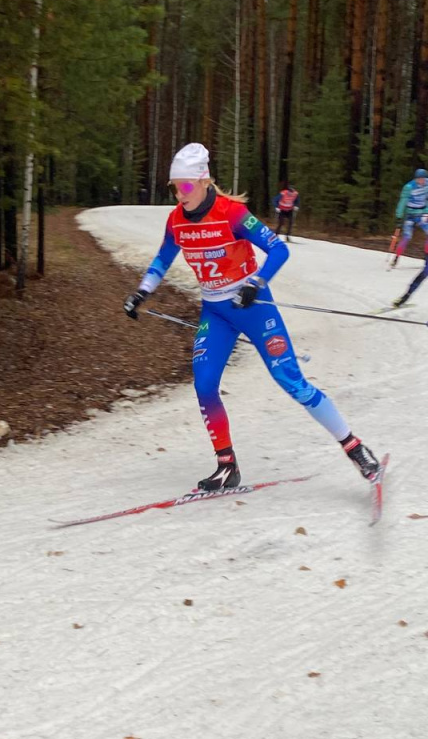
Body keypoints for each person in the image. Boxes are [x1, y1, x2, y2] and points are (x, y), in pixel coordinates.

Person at [122, 142, 379, 490]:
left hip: (252, 308)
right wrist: (142, 292)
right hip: (215, 312)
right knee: (204, 384)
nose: (179, 194)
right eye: (174, 187)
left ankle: (354, 447)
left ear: (203, 181)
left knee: (291, 382)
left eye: (184, 186)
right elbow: (162, 259)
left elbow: (278, 248)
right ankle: (227, 465)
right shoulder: (176, 221)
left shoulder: (231, 213)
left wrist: (256, 283)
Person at [391, 167, 428, 266]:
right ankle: (397, 257)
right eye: (418, 179)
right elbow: (403, 202)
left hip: (423, 213)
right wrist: (399, 216)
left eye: (423, 179)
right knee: (407, 236)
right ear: (415, 179)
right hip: (410, 215)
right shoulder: (409, 187)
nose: (421, 181)